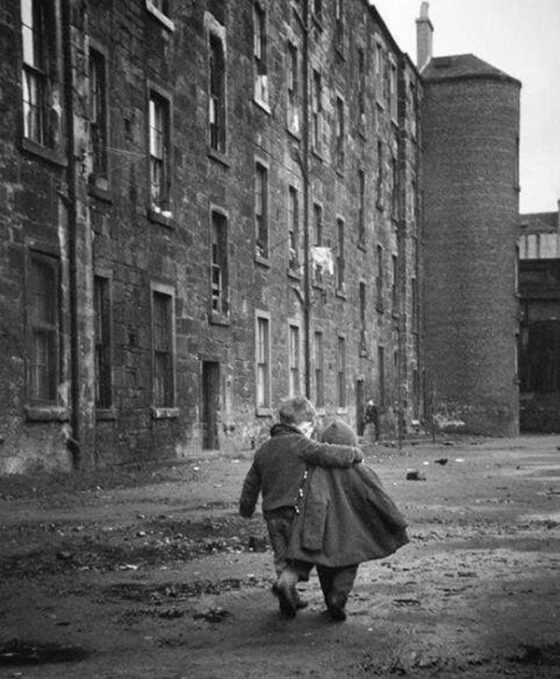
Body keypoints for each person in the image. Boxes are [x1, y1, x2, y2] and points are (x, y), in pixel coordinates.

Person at [238, 397, 363, 618]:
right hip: (297, 510)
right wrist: (354, 454)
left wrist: (246, 508)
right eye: (309, 428)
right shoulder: (302, 444)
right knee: (302, 556)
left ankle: (288, 595)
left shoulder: (264, 450)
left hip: (271, 514)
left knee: (282, 556)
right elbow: (327, 453)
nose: (310, 433)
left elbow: (251, 483)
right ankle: (288, 585)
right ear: (304, 426)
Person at [287, 419, 409, 621]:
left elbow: (310, 499)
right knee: (349, 566)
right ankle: (339, 596)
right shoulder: (359, 469)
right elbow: (379, 496)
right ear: (352, 444)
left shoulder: (317, 470)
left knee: (325, 565)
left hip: (326, 530)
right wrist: (395, 520)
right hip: (354, 530)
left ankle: (329, 598)